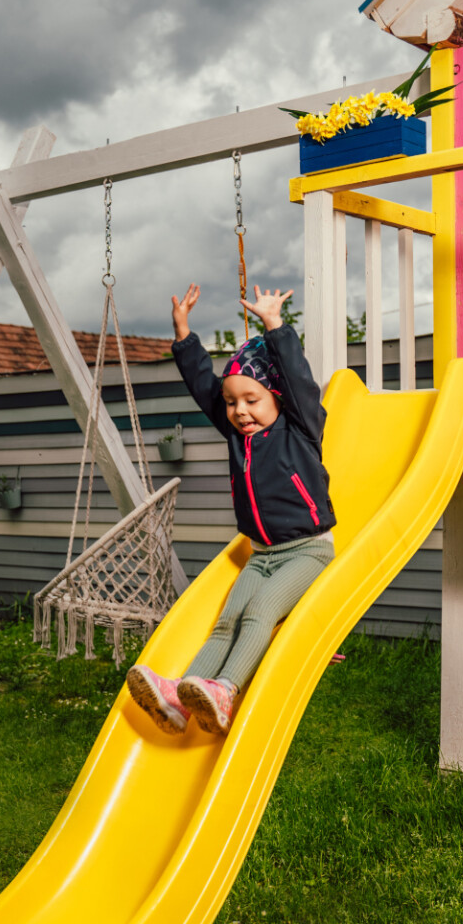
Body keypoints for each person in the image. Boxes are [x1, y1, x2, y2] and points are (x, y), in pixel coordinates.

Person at [127, 281, 335, 736]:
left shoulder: (300, 426)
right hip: (260, 553)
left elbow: (298, 377)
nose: (240, 411)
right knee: (225, 623)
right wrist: (184, 334)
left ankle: (225, 689)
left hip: (307, 550)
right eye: (232, 402)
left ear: (277, 398)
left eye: (252, 400)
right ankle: (182, 697)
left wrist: (274, 325)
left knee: (260, 613)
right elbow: (205, 384)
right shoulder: (237, 435)